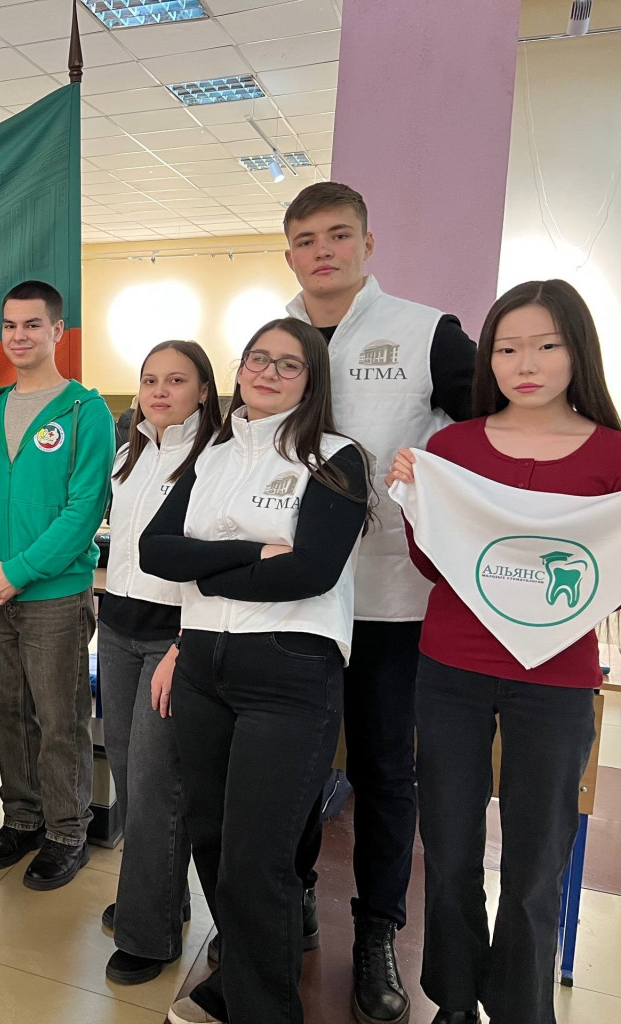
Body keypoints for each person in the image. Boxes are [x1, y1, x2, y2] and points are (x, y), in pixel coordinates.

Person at [386, 281, 620, 1024]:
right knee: (449, 845)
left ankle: (522, 1008)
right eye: (508, 348)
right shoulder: (452, 448)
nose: (527, 363)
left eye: (547, 345)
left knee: (537, 858)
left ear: (578, 352)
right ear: (488, 358)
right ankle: (454, 1000)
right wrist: (417, 501)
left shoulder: (614, 455)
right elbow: (435, 567)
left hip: (557, 680)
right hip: (449, 670)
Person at [282, 181, 476, 1024]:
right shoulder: (273, 338)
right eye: (305, 240)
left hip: (389, 598)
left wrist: (435, 469)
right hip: (292, 597)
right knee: (289, 763)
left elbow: (488, 430)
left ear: (367, 243)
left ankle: (376, 933)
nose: (322, 251)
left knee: (385, 774)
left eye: (338, 235)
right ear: (289, 253)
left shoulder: (427, 331)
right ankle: (288, 906)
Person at [142, 318, 372, 1024]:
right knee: (212, 841)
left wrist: (206, 567)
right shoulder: (211, 455)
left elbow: (309, 572)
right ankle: (239, 985)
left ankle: (265, 1010)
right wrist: (250, 555)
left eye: (288, 364)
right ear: (239, 369)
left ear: (312, 379)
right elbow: (155, 550)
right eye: (258, 359)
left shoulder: (335, 457)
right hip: (202, 665)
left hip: (288, 671)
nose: (268, 373)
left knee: (258, 858)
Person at [0, 280, 115, 891]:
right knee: (2, 708)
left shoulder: (86, 411)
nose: (19, 336)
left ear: (57, 331)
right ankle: (22, 818)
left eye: (32, 325)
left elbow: (84, 510)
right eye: (10, 325)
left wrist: (18, 571)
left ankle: (67, 831)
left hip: (54, 592)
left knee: (59, 717)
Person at [98, 341, 222, 984]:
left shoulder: (216, 458)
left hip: (172, 636)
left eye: (177, 380)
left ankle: (149, 936)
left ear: (204, 390)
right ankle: (160, 896)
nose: (160, 391)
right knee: (127, 771)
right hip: (117, 627)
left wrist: (183, 643)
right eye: (150, 380)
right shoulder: (131, 451)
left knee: (155, 785)